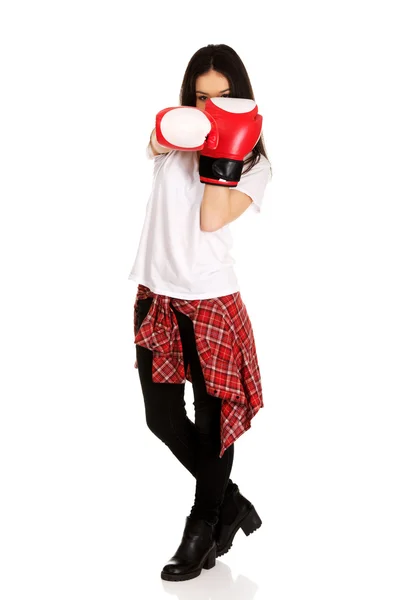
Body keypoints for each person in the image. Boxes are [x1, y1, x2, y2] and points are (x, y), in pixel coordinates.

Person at [128, 43, 273, 582]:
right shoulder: (175, 142)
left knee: (214, 428)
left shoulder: (256, 164)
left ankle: (204, 523)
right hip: (158, 296)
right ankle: (230, 502)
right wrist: (179, 129)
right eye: (201, 96)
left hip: (211, 300)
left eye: (223, 97)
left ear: (241, 98)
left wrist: (226, 150)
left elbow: (212, 219)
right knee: (161, 417)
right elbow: (152, 140)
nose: (211, 108)